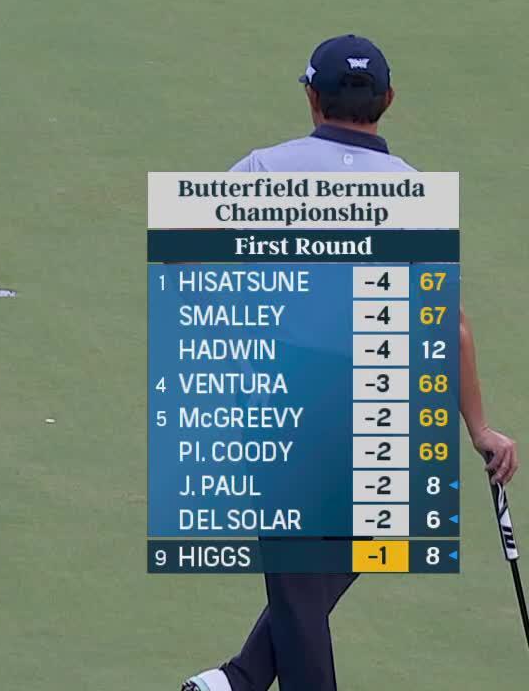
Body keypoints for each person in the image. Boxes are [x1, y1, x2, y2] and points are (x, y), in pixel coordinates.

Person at [181, 34, 518, 691]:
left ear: (311, 97)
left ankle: (244, 678)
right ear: (387, 101)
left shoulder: (264, 170)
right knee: (329, 562)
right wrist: (478, 428)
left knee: (303, 584)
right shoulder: (412, 190)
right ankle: (242, 678)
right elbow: (448, 321)